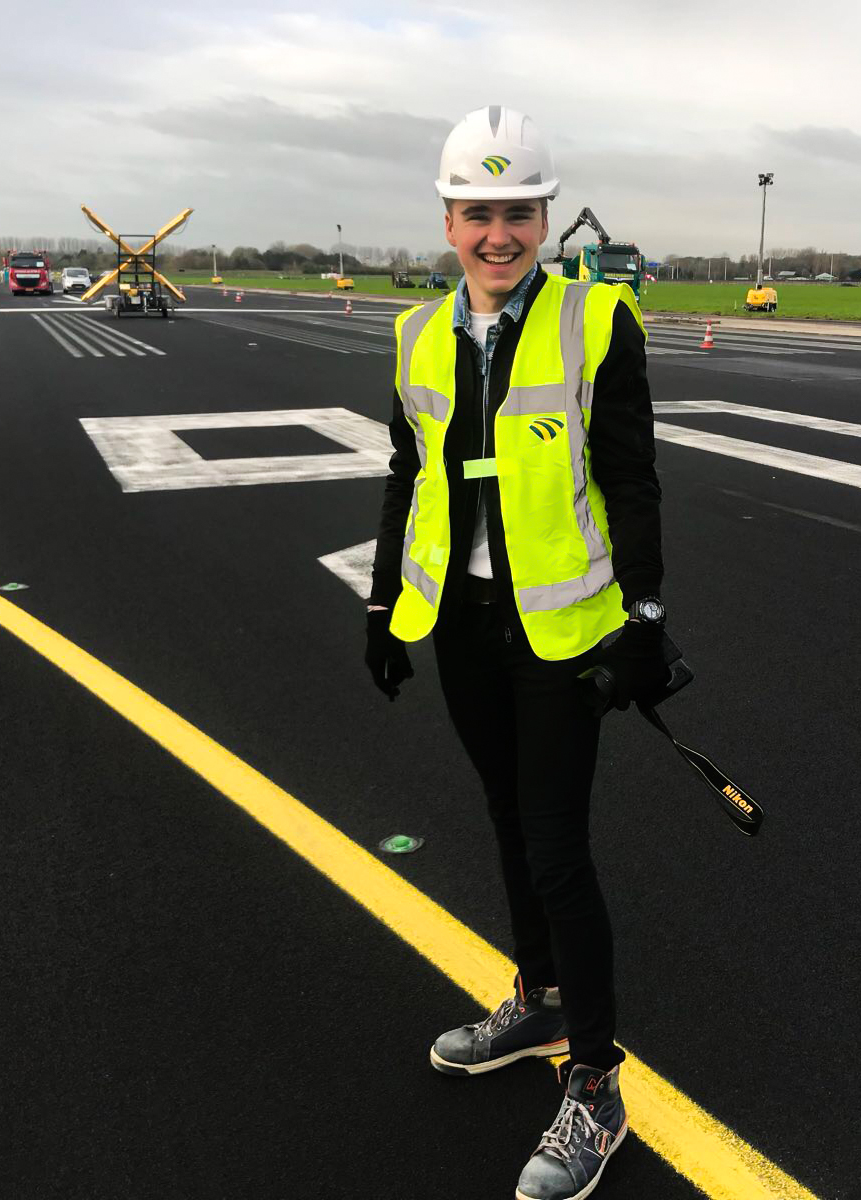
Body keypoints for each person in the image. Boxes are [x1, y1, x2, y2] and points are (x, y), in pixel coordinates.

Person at [364, 105, 668, 1200]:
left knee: (554, 846)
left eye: (518, 213)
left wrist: (644, 618)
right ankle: (536, 999)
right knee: (504, 818)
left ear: (545, 218)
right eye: (478, 212)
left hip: (561, 632)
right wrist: (381, 602)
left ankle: (595, 1083)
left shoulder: (599, 319)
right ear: (448, 219)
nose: (499, 234)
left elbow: (629, 479)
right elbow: (411, 479)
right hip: (461, 626)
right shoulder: (412, 334)